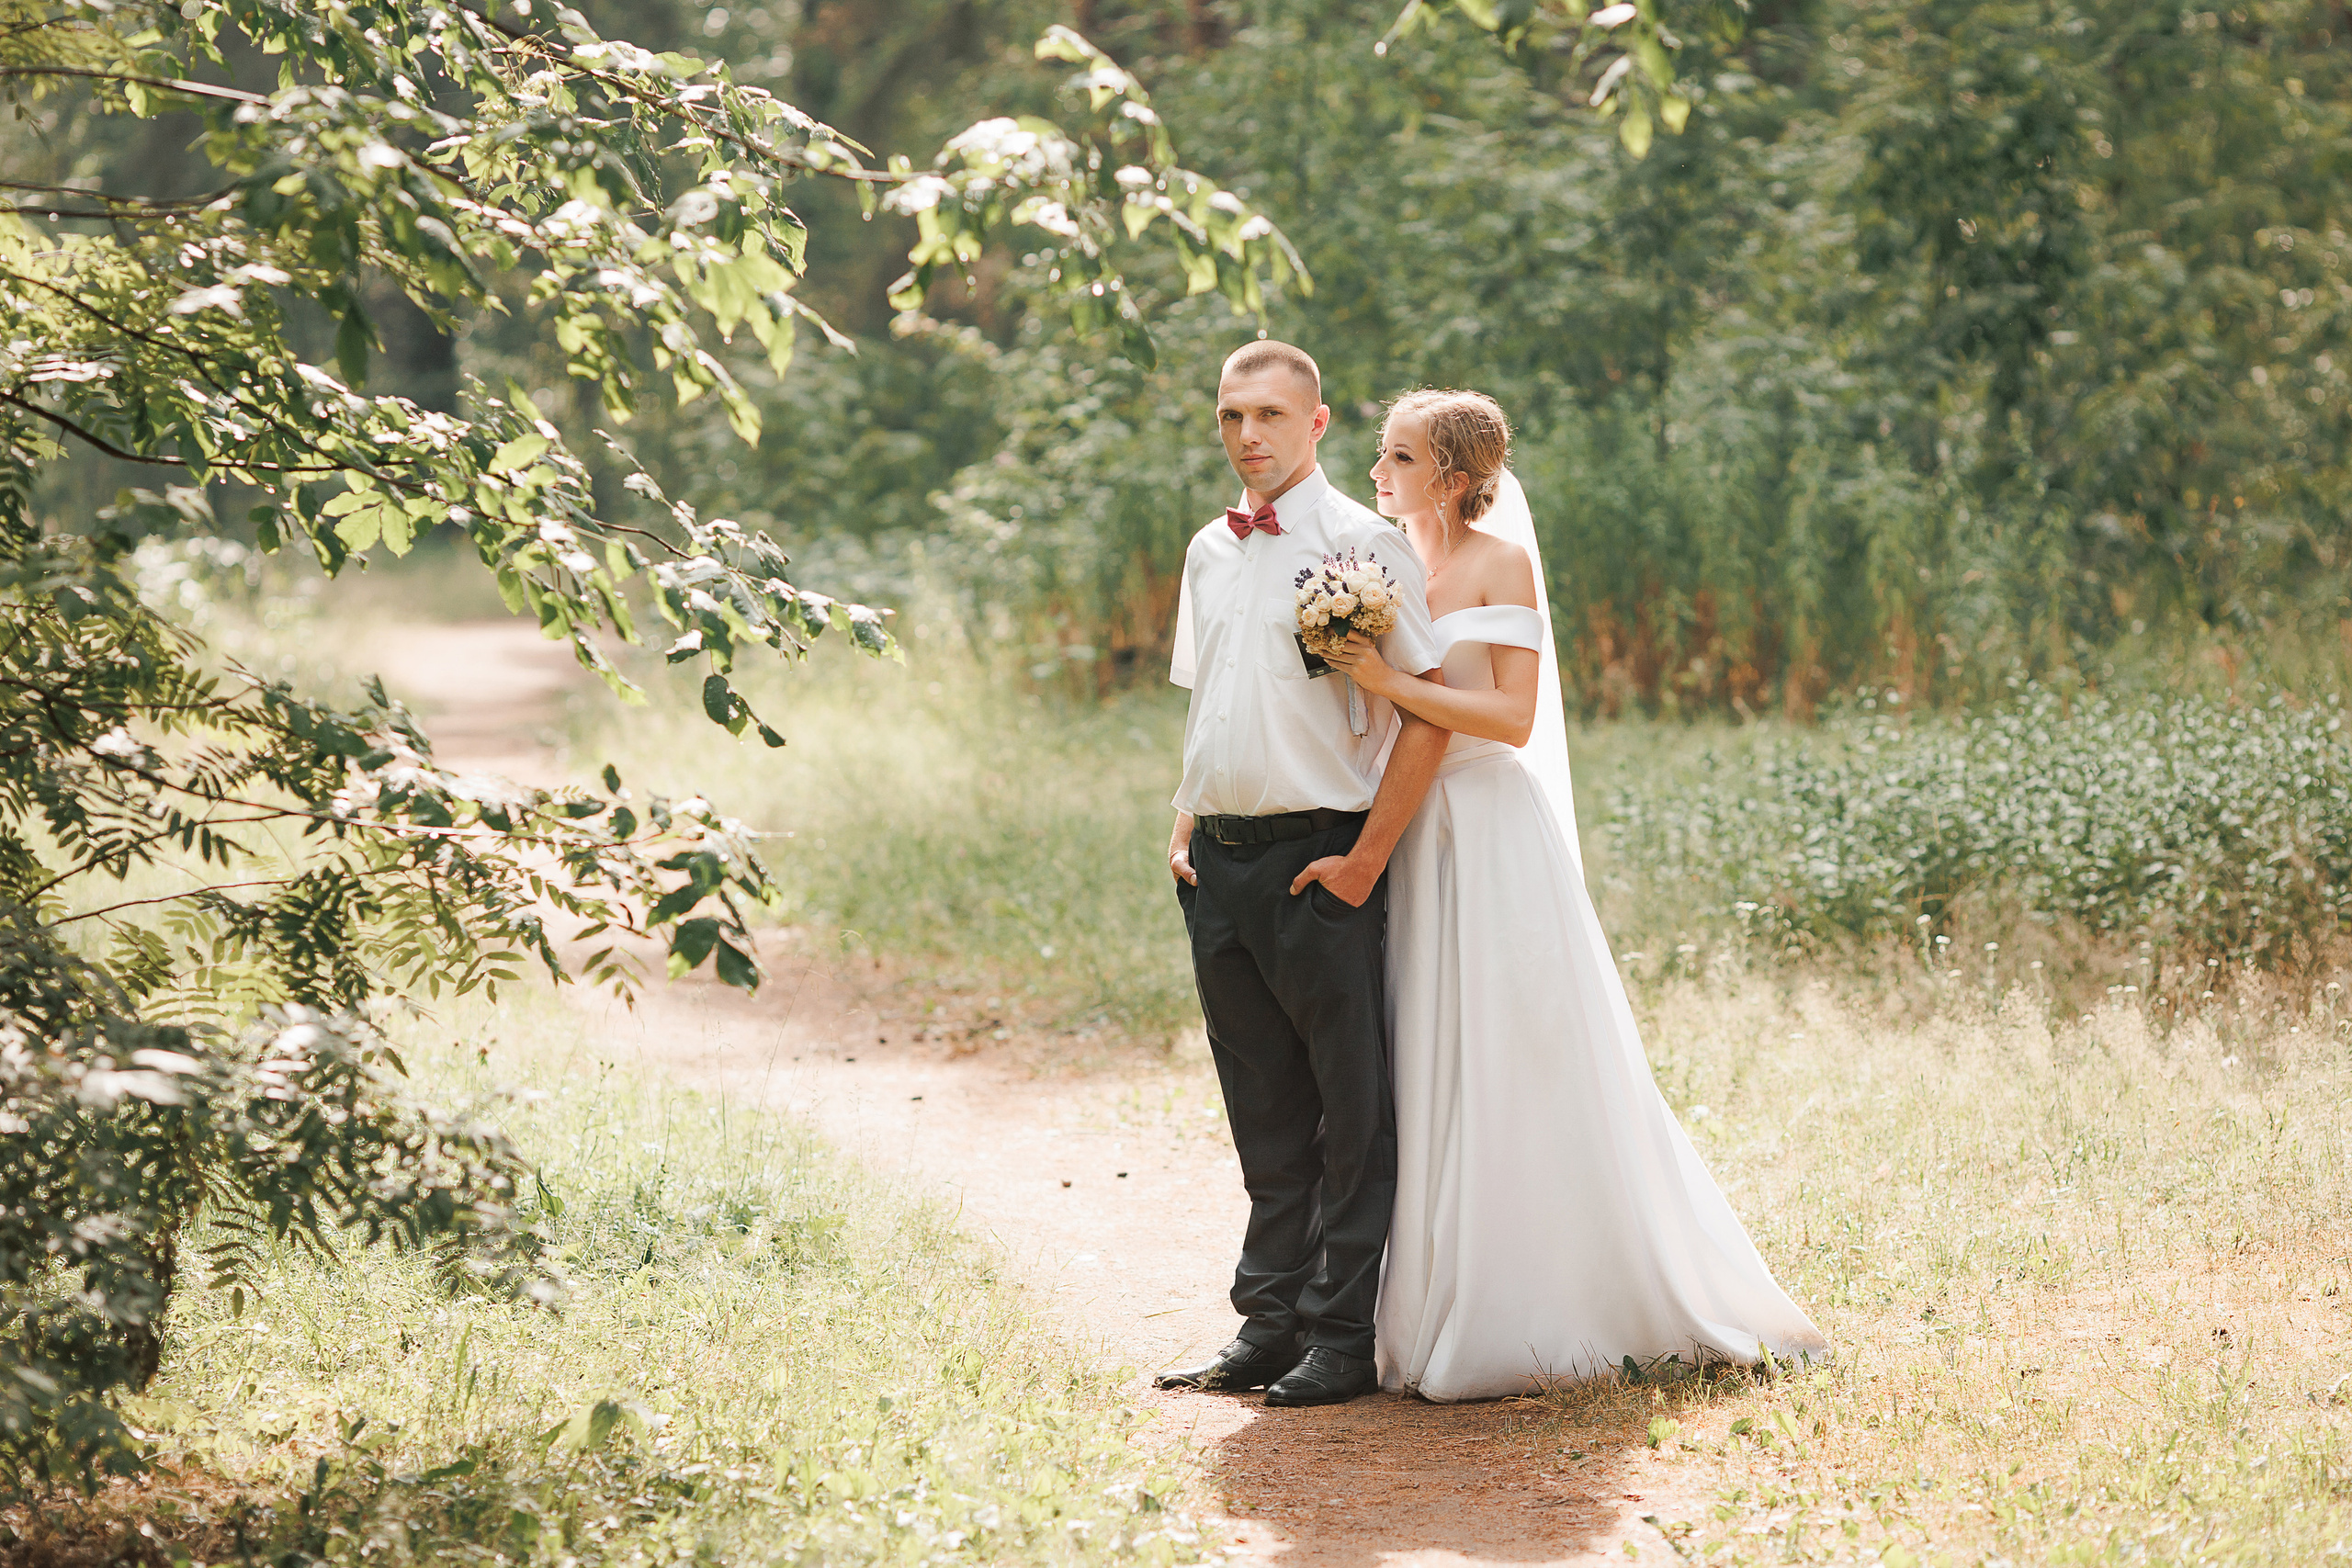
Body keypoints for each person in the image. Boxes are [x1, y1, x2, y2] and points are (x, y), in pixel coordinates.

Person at [1327, 389, 1830, 1401]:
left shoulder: (1496, 562)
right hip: (1419, 829)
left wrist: (1384, 684)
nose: (1377, 472)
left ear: (1455, 479)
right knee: (1429, 1050)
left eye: (1399, 457)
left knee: (1515, 1045)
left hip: (1488, 828)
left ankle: (1551, 1296)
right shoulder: (1393, 567)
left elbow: (1509, 717)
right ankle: (1428, 1300)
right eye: (1380, 454)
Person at [1151, 342, 1451, 1408]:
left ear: (1317, 424)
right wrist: (1185, 820)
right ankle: (1266, 1325)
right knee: (1263, 1113)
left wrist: (1365, 860)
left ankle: (1338, 1335)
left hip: (1318, 859)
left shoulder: (1360, 545)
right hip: (1218, 870)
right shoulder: (1209, 549)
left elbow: (1428, 709)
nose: (1248, 435)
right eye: (1231, 415)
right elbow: (1214, 696)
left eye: (1271, 414)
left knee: (1347, 1110)